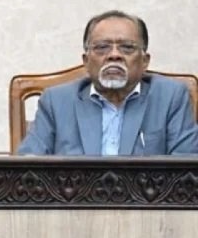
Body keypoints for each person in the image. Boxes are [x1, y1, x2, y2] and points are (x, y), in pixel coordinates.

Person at [18, 10, 198, 155]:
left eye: (127, 47)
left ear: (145, 61)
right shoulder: (56, 101)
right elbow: (29, 168)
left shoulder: (171, 97)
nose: (114, 55)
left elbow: (185, 170)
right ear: (86, 61)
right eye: (102, 47)